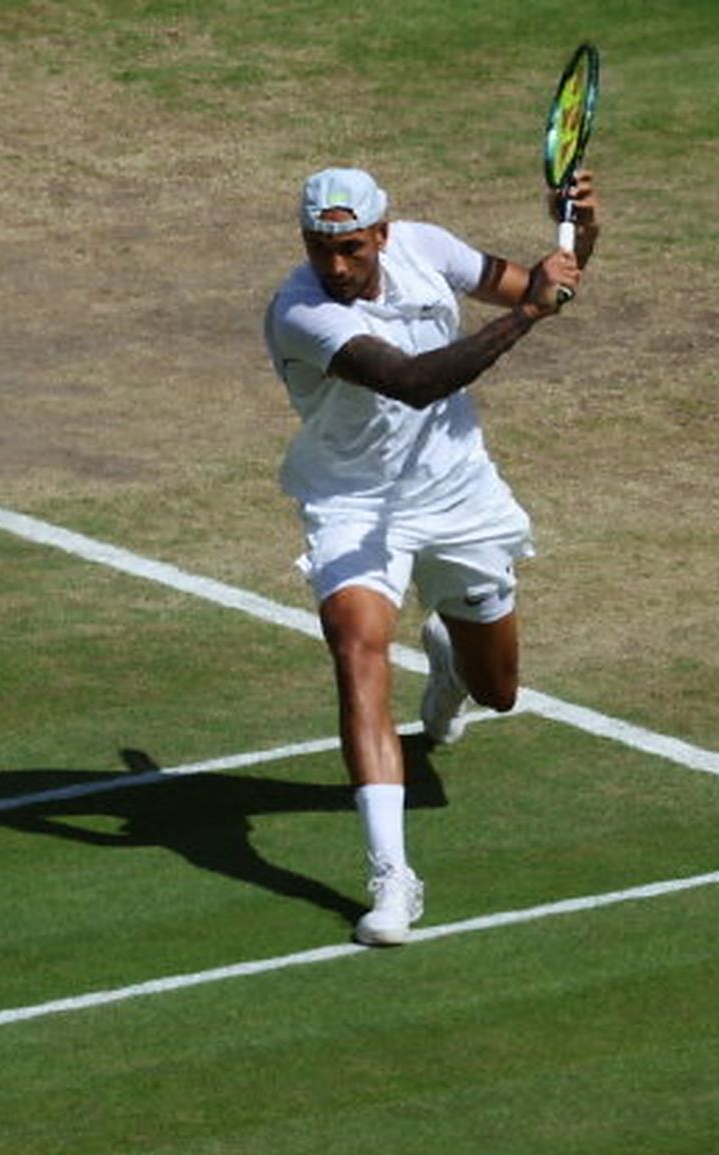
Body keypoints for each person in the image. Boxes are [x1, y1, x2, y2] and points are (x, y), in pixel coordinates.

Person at [262, 165, 600, 945]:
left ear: (382, 233)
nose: (336, 267)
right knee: (358, 654)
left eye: (350, 248)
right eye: (321, 249)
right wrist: (532, 313)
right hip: (350, 502)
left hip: (457, 496)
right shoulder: (300, 312)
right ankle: (392, 879)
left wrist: (579, 229)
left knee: (499, 689)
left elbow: (542, 282)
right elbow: (413, 383)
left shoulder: (427, 248)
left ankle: (448, 660)